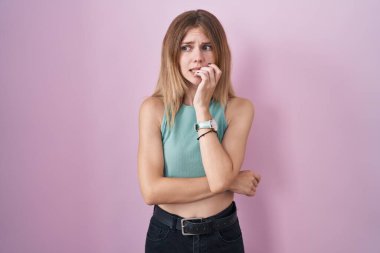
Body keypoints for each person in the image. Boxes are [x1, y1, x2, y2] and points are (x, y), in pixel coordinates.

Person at [138, 9, 261, 253]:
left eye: (206, 47)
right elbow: (151, 191)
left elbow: (220, 176)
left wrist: (202, 108)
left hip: (223, 236)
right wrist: (230, 181)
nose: (198, 58)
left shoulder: (238, 109)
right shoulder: (153, 109)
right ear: (172, 54)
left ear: (219, 54)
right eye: (186, 47)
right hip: (167, 236)